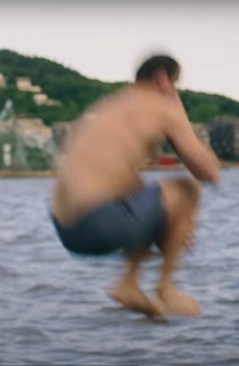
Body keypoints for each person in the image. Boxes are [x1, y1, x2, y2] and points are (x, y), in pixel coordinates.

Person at [50, 54, 220, 318]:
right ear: (163, 79)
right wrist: (178, 111)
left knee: (142, 190)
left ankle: (130, 283)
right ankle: (164, 287)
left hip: (65, 230)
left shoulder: (111, 106)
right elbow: (208, 172)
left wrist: (170, 226)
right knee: (186, 191)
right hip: (99, 224)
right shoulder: (158, 107)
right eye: (175, 84)